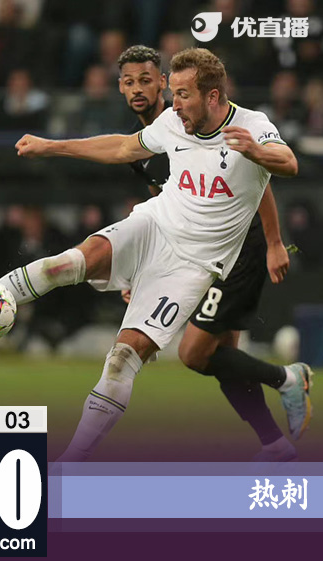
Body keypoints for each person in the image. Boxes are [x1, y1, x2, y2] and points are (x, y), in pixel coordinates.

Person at [0, 48, 306, 462]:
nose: (176, 103)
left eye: (183, 94)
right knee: (70, 261)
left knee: (125, 357)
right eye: (174, 93)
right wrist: (52, 146)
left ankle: (72, 462)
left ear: (213, 96)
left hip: (193, 265)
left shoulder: (252, 125)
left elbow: (287, 162)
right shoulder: (172, 123)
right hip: (153, 225)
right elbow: (124, 147)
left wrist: (257, 154)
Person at [116, 45, 309, 462]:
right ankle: (274, 443)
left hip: (239, 246)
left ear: (163, 83)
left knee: (195, 352)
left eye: (146, 80)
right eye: (129, 82)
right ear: (120, 88)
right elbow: (165, 213)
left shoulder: (199, 120)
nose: (138, 89)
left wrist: (274, 241)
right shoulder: (149, 144)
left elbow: (258, 180)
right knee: (222, 356)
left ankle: (287, 378)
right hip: (199, 249)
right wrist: (142, 272)